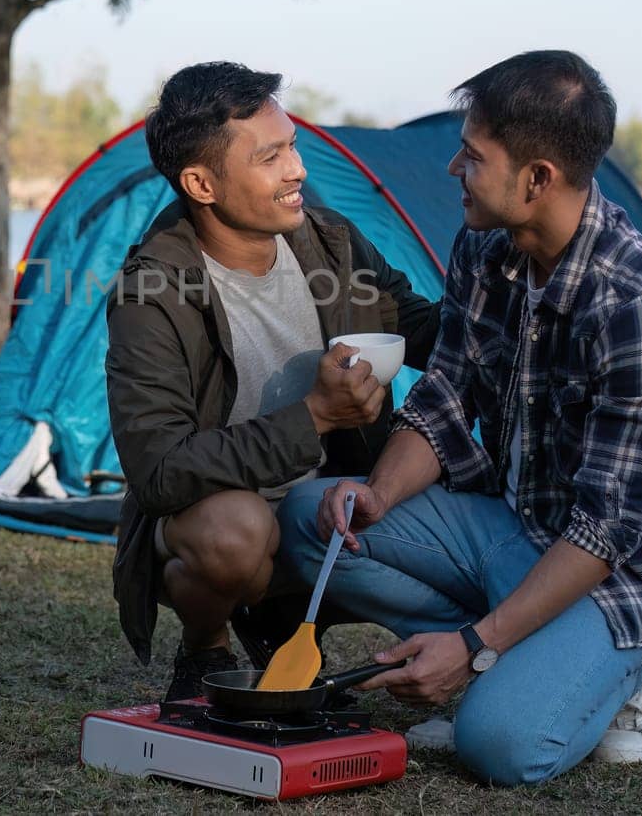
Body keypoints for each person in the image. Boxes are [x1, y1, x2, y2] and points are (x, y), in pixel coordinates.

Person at [279, 50, 642, 785]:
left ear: (538, 178)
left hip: (619, 571)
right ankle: (518, 659)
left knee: (499, 745)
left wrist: (476, 644)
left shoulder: (641, 306)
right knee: (308, 517)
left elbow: (604, 531)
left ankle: (629, 670)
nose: (454, 169)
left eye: (473, 156)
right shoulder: (485, 246)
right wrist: (379, 492)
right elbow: (446, 397)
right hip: (515, 527)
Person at [105, 61, 440, 702]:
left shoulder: (332, 245)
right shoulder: (153, 291)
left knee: (458, 501)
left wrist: (514, 273)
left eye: (292, 145)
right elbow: (159, 470)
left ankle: (283, 625)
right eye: (270, 157)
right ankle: (206, 650)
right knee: (233, 534)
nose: (298, 170)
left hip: (331, 508)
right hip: (228, 514)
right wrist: (315, 416)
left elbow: (422, 327)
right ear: (201, 183)